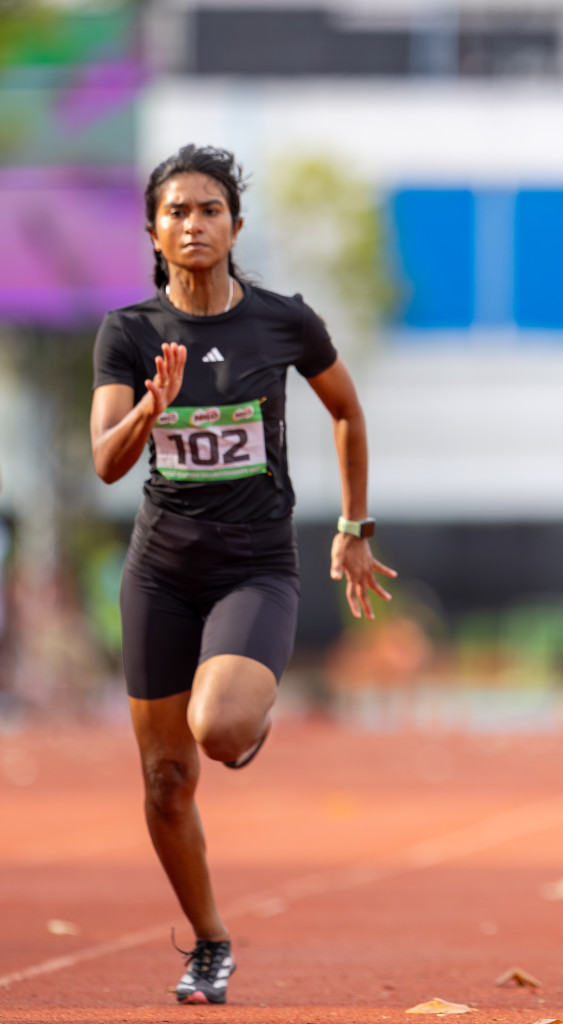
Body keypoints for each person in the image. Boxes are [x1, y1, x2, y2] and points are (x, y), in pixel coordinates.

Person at [89, 145, 396, 1003]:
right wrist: (151, 408)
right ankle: (211, 943)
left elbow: (346, 410)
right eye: (176, 212)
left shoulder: (282, 321)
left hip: (254, 567)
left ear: (235, 225)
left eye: (209, 209)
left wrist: (354, 526)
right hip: (161, 572)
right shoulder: (128, 334)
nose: (193, 224)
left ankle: (245, 714)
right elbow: (106, 463)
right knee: (165, 780)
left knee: (217, 731)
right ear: (154, 232)